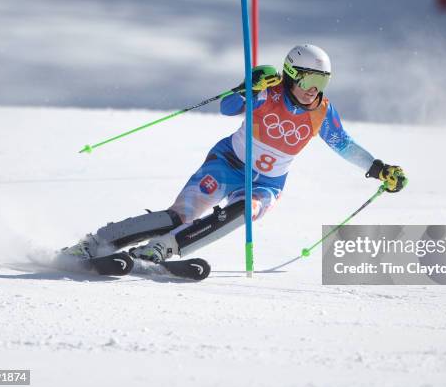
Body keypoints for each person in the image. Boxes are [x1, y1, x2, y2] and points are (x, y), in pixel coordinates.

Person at [61, 44, 407, 262]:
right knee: (181, 214)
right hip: (228, 162)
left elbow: (343, 144)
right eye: (307, 81)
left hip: (267, 184)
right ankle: (96, 242)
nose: (312, 91)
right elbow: (227, 108)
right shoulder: (268, 91)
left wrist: (378, 168)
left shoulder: (321, 112)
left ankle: (164, 249)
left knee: (246, 212)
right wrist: (246, 88)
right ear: (291, 74)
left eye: (322, 83)